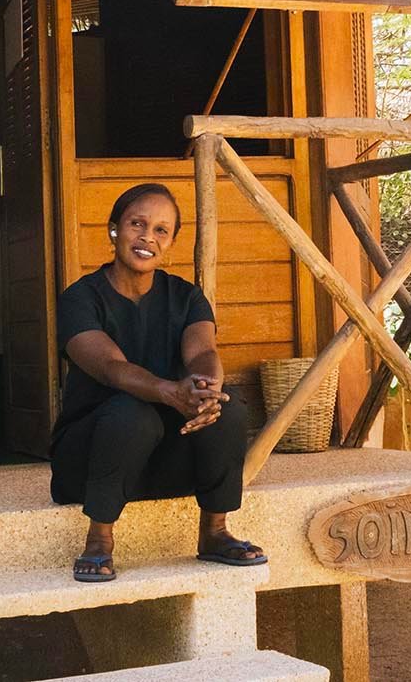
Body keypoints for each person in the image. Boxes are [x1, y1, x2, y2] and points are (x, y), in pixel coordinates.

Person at [49, 183, 267, 582]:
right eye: (137, 223)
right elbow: (111, 368)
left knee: (229, 407)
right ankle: (99, 540)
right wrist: (168, 391)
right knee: (133, 413)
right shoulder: (79, 299)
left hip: (159, 461)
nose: (147, 237)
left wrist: (206, 389)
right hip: (91, 458)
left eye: (161, 230)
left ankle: (215, 532)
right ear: (114, 229)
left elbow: (202, 352)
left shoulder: (185, 297)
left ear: (171, 242)